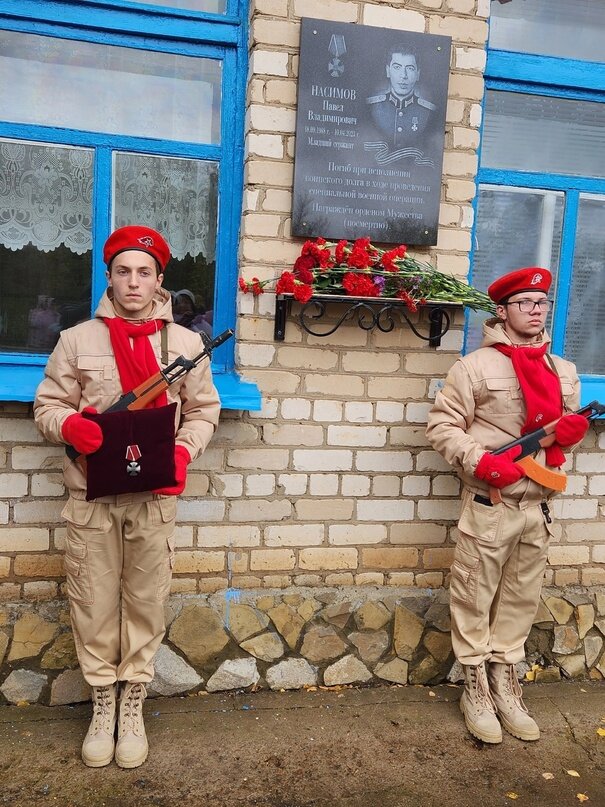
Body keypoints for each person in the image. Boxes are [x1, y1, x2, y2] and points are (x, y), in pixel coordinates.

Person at [33, 225, 221, 769]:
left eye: (144, 272)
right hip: (92, 497)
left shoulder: (185, 346)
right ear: (109, 277)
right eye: (123, 271)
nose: (133, 282)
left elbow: (203, 411)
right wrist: (70, 426)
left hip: (154, 497)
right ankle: (102, 703)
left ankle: (132, 699)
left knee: (145, 600)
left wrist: (182, 453)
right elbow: (47, 405)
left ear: (160, 280)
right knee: (92, 599)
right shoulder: (76, 340)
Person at [425, 267, 589, 745]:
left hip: (538, 509)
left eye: (542, 303)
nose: (536, 311)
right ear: (502, 310)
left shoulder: (563, 371)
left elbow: (559, 436)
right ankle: (475, 687)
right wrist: (481, 461)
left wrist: (570, 437)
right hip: (491, 503)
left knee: (519, 600)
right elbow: (442, 427)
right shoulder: (474, 367)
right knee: (474, 595)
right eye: (525, 303)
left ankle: (505, 682)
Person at [366, 46, 436, 151]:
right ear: (388, 71)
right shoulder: (373, 108)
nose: (403, 75)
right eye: (397, 67)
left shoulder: (428, 112)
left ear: (418, 74)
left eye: (410, 68)